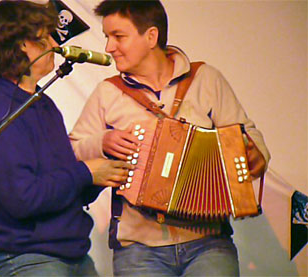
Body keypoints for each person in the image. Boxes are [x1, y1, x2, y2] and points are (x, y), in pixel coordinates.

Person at [69, 0, 271, 276]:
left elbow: (248, 135)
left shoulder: (205, 79)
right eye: (107, 37)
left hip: (208, 242)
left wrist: (255, 154)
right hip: (138, 250)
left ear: (151, 36)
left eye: (118, 37)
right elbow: (70, 152)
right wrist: (102, 142)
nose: (109, 48)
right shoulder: (108, 93)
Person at [0, 1, 133, 276]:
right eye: (45, 37)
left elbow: (60, 186)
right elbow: (23, 199)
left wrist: (104, 172)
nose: (55, 44)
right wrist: (85, 173)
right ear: (22, 44)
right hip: (26, 256)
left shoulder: (42, 104)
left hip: (68, 253)